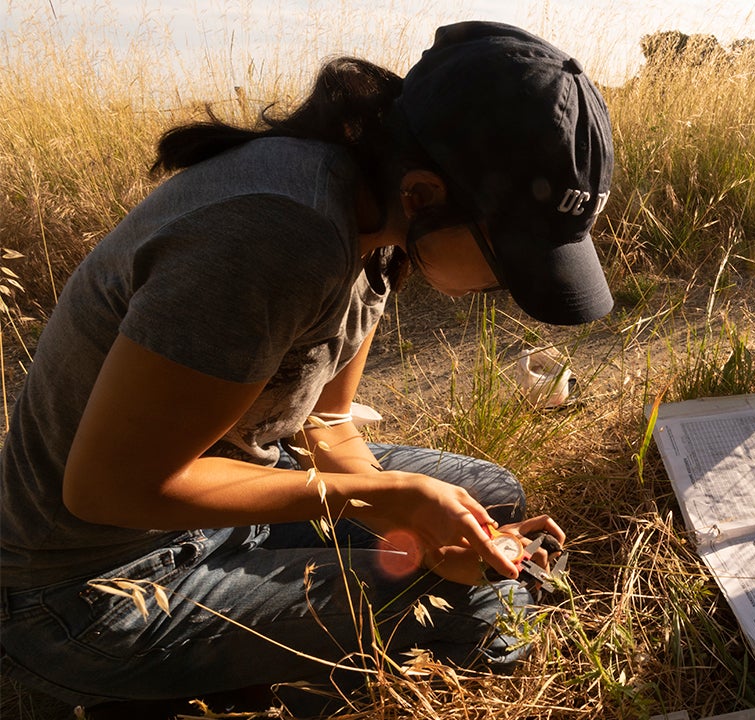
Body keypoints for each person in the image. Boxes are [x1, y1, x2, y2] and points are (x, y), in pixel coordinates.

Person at [0, 21, 613, 714]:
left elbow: (326, 423)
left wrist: (433, 528)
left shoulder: (377, 224)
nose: (511, 287)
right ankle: (187, 689)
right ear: (423, 194)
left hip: (226, 509)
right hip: (89, 589)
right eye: (510, 261)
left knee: (489, 499)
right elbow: (108, 488)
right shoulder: (276, 233)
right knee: (488, 614)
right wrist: (377, 501)